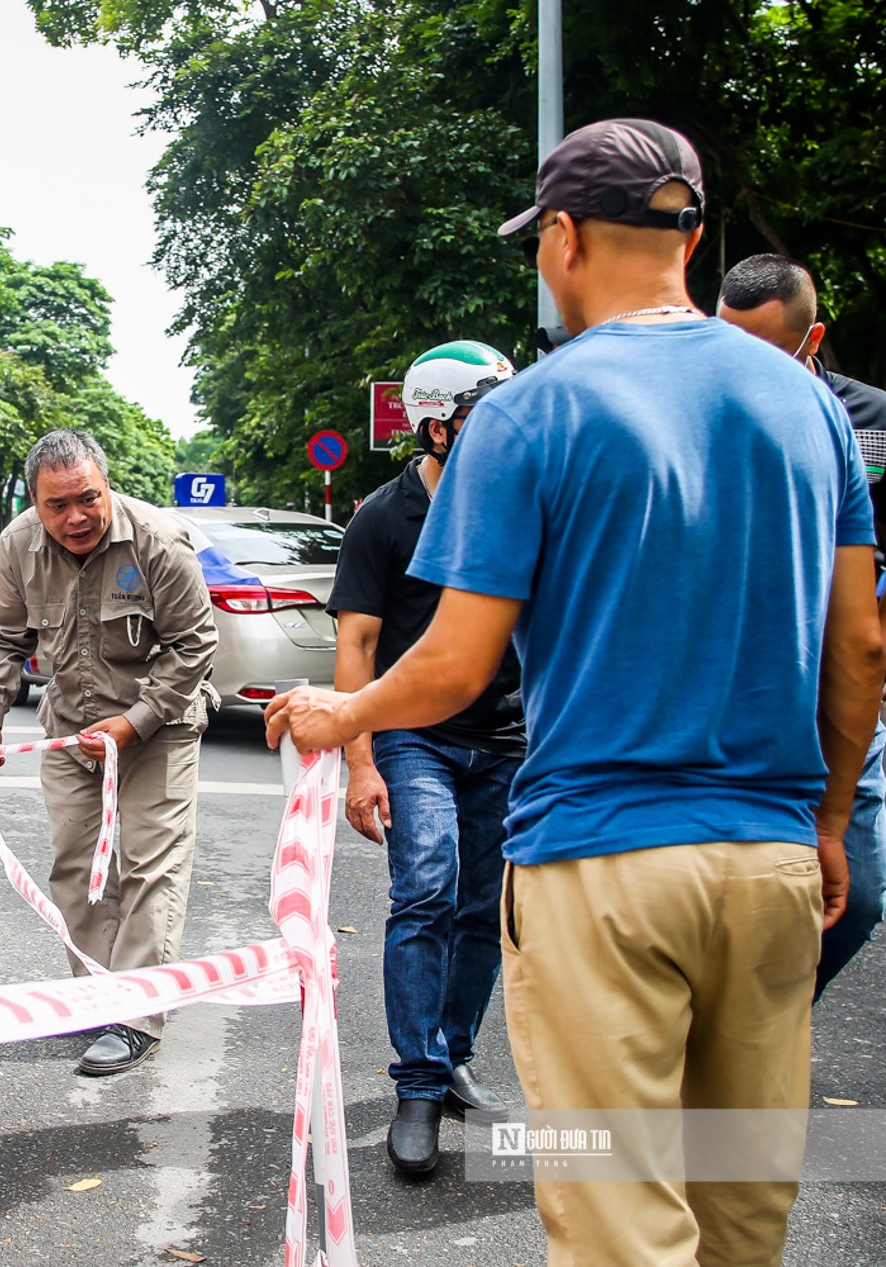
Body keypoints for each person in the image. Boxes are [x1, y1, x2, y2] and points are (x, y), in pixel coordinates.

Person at [265, 118, 882, 1264]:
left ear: (560, 238)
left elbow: (452, 665)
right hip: (769, 863)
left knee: (617, 1213)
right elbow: (860, 652)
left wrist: (340, 715)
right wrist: (834, 821)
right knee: (743, 1208)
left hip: (599, 872)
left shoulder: (528, 413)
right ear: (689, 235)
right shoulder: (810, 408)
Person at [0, 429, 218, 1075]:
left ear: (107, 486)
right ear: (34, 502)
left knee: (148, 865)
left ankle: (136, 1013)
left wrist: (134, 724)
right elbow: (0, 635)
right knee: (76, 868)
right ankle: (93, 996)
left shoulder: (158, 540)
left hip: (158, 726)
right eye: (58, 505)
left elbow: (195, 644)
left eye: (88, 498)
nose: (75, 517)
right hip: (72, 728)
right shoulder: (19, 544)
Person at [328, 340, 521, 1177]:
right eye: (484, 415)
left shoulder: (519, 505)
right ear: (435, 423)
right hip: (416, 736)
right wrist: (359, 763)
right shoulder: (384, 515)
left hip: (508, 740)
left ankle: (452, 1057)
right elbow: (358, 644)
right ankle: (415, 1083)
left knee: (484, 908)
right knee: (427, 888)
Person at [719, 253, 886, 1001]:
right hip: (735, 686)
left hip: (844, 681)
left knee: (859, 891)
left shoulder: (869, 421)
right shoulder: (701, 411)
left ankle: (766, 1015)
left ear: (811, 339)